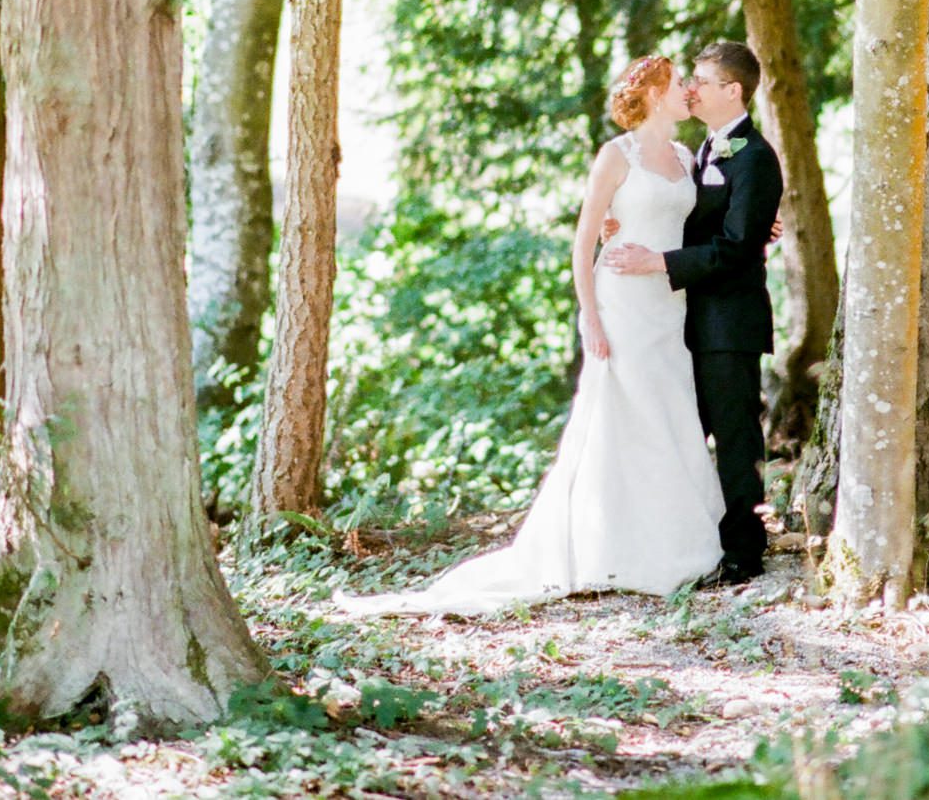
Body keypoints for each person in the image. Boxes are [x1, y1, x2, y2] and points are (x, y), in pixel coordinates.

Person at [334, 56, 723, 616]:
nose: (688, 89)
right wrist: (589, 316)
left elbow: (698, 223)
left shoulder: (686, 157)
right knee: (621, 411)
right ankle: (607, 548)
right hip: (620, 301)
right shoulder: (617, 155)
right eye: (679, 82)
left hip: (668, 301)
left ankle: (674, 543)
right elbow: (585, 238)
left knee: (668, 407)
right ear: (657, 93)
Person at [604, 41, 782, 583]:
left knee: (734, 437)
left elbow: (734, 247)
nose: (690, 89)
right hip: (678, 316)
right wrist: (621, 226)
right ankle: (685, 540)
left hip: (728, 322)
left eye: (701, 80)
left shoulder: (754, 155)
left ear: (733, 90)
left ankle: (746, 554)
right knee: (681, 433)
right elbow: (685, 217)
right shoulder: (699, 151)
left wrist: (658, 259)